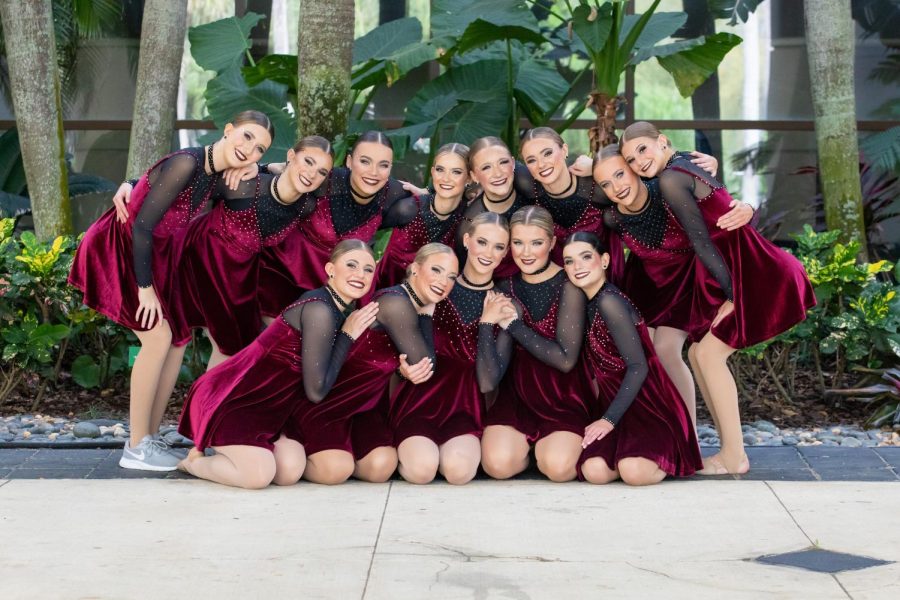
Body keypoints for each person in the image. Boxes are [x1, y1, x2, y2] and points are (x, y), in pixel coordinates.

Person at [68, 110, 274, 471]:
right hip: (122, 251)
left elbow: (152, 179)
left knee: (177, 339)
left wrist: (260, 168)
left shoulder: (215, 173)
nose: (250, 149)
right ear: (228, 131)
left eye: (259, 148)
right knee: (158, 338)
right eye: (246, 137)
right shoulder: (187, 163)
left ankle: (149, 436)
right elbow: (141, 228)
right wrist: (145, 289)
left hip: (158, 255)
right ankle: (135, 448)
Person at [618, 121, 816, 474]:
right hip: (748, 265)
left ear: (661, 141)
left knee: (708, 354)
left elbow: (702, 243)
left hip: (752, 272)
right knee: (698, 353)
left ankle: (733, 456)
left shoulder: (671, 178)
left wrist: (733, 294)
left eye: (643, 150)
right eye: (630, 160)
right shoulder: (684, 162)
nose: (638, 162)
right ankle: (726, 450)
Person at [176, 240, 379, 489]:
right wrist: (348, 335)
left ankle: (238, 455)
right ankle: (194, 463)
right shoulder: (319, 309)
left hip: (272, 410)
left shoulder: (335, 309)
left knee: (289, 471)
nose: (360, 274)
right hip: (236, 400)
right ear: (330, 269)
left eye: (368, 269)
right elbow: (316, 391)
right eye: (351, 265)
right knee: (258, 477)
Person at [593, 144, 753, 427]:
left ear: (634, 170)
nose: (616, 187)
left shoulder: (667, 189)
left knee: (667, 349)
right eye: (606, 183)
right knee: (641, 350)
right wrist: (582, 165)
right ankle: (657, 427)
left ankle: (687, 432)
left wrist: (748, 208)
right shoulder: (612, 217)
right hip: (649, 287)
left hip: (687, 283)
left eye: (620, 174)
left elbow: (716, 209)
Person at [292, 243, 459, 484]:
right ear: (414, 269)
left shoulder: (408, 303)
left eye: (451, 276)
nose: (444, 281)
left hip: (365, 405)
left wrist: (402, 372)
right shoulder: (395, 302)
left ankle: (343, 458)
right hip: (331, 399)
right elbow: (425, 364)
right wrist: (426, 314)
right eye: (436, 270)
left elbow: (390, 364)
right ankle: (297, 458)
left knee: (381, 466)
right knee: (334, 471)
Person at [170, 136, 334, 370]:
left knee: (238, 348)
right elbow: (188, 178)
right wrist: (135, 185)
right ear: (290, 156)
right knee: (210, 345)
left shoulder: (307, 204)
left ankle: (210, 403)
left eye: (321, 172)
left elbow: (360, 183)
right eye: (307, 161)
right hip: (195, 258)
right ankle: (204, 403)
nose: (311, 174)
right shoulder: (245, 184)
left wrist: (403, 189)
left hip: (239, 275)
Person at [561, 233, 703, 485]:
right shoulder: (590, 302)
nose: (577, 266)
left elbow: (638, 367)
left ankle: (669, 451)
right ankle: (628, 453)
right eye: (569, 261)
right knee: (594, 470)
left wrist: (607, 420)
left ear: (604, 260)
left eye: (585, 257)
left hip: (649, 405)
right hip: (617, 406)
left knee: (634, 473)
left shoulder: (609, 301)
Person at [390, 212, 514, 485]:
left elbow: (487, 382)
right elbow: (397, 347)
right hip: (420, 399)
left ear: (506, 252)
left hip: (466, 405)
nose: (488, 253)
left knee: (459, 472)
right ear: (467, 241)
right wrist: (402, 370)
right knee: (422, 470)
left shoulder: (505, 302)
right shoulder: (436, 285)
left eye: (498, 246)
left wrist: (487, 324)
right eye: (482, 242)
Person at [481, 206, 594, 482]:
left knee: (558, 468)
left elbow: (566, 360)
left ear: (553, 243)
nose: (526, 252)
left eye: (537, 243)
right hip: (516, 395)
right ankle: (528, 450)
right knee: (497, 465)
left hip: (562, 396)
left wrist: (514, 326)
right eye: (518, 243)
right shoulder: (503, 287)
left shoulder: (569, 286)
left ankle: (546, 451)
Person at [257, 131, 418, 318]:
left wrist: (425, 191)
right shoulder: (325, 179)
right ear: (349, 161)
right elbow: (287, 176)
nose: (373, 172)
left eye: (383, 165)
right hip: (280, 277)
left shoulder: (394, 194)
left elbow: (441, 201)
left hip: (330, 293)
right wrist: (265, 167)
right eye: (365, 161)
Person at [369, 143, 469, 295]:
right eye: (440, 170)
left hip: (438, 303)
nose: (446, 178)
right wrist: (365, 262)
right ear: (432, 172)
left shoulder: (469, 217)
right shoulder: (408, 208)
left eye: (456, 172)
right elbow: (360, 227)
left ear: (469, 177)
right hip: (387, 297)